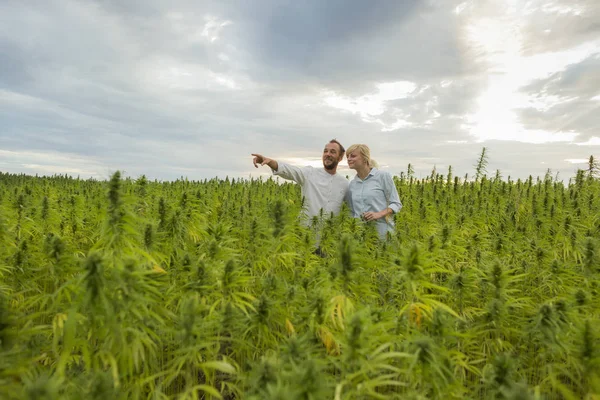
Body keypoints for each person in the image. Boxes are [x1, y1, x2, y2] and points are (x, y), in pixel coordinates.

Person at [252, 139, 349, 223]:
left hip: (330, 237)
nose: (328, 154)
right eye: (325, 151)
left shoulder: (344, 183)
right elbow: (291, 170)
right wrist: (270, 162)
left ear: (340, 157)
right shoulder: (310, 173)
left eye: (332, 152)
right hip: (306, 232)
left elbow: (352, 207)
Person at [345, 144, 402, 240]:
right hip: (361, 237)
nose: (349, 159)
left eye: (353, 156)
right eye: (347, 157)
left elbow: (396, 203)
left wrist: (378, 214)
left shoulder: (383, 176)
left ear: (365, 158)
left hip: (382, 234)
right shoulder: (352, 184)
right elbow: (352, 212)